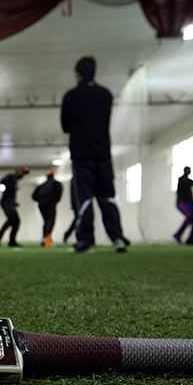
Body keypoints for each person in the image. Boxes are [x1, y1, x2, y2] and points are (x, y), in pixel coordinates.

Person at [61, 55, 129, 253]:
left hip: (81, 154)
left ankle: (86, 241)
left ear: (77, 73)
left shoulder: (71, 96)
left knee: (85, 199)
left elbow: (65, 127)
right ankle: (118, 238)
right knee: (107, 196)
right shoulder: (105, 95)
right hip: (103, 153)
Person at [0, 166, 29, 247]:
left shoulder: (15, 180)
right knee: (14, 219)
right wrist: (7, 189)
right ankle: (4, 238)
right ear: (18, 171)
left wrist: (14, 202)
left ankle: (5, 238)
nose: (23, 175)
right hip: (5, 202)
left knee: (15, 221)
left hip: (10, 203)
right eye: (22, 172)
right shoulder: (10, 177)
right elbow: (2, 182)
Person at [31, 170, 64, 246]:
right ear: (53, 176)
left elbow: (33, 196)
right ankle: (47, 240)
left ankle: (46, 239)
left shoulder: (41, 185)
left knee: (46, 222)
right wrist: (55, 200)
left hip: (41, 205)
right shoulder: (56, 183)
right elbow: (59, 193)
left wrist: (40, 200)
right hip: (50, 204)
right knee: (50, 221)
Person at [62, 178, 80, 243]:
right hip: (77, 203)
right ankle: (47, 243)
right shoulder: (75, 179)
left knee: (78, 220)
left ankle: (69, 235)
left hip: (77, 203)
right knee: (79, 220)